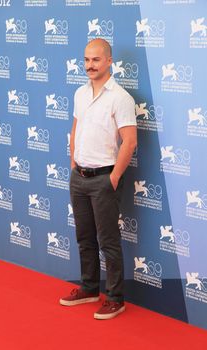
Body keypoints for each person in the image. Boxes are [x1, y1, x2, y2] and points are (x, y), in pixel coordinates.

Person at [60, 38, 137, 320]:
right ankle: (90, 288)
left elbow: (129, 142)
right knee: (84, 238)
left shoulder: (121, 98)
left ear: (108, 61)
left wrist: (114, 177)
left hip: (104, 178)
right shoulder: (80, 93)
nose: (89, 65)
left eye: (95, 60)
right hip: (79, 176)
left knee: (108, 241)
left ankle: (115, 298)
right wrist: (73, 162)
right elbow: (75, 128)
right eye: (86, 60)